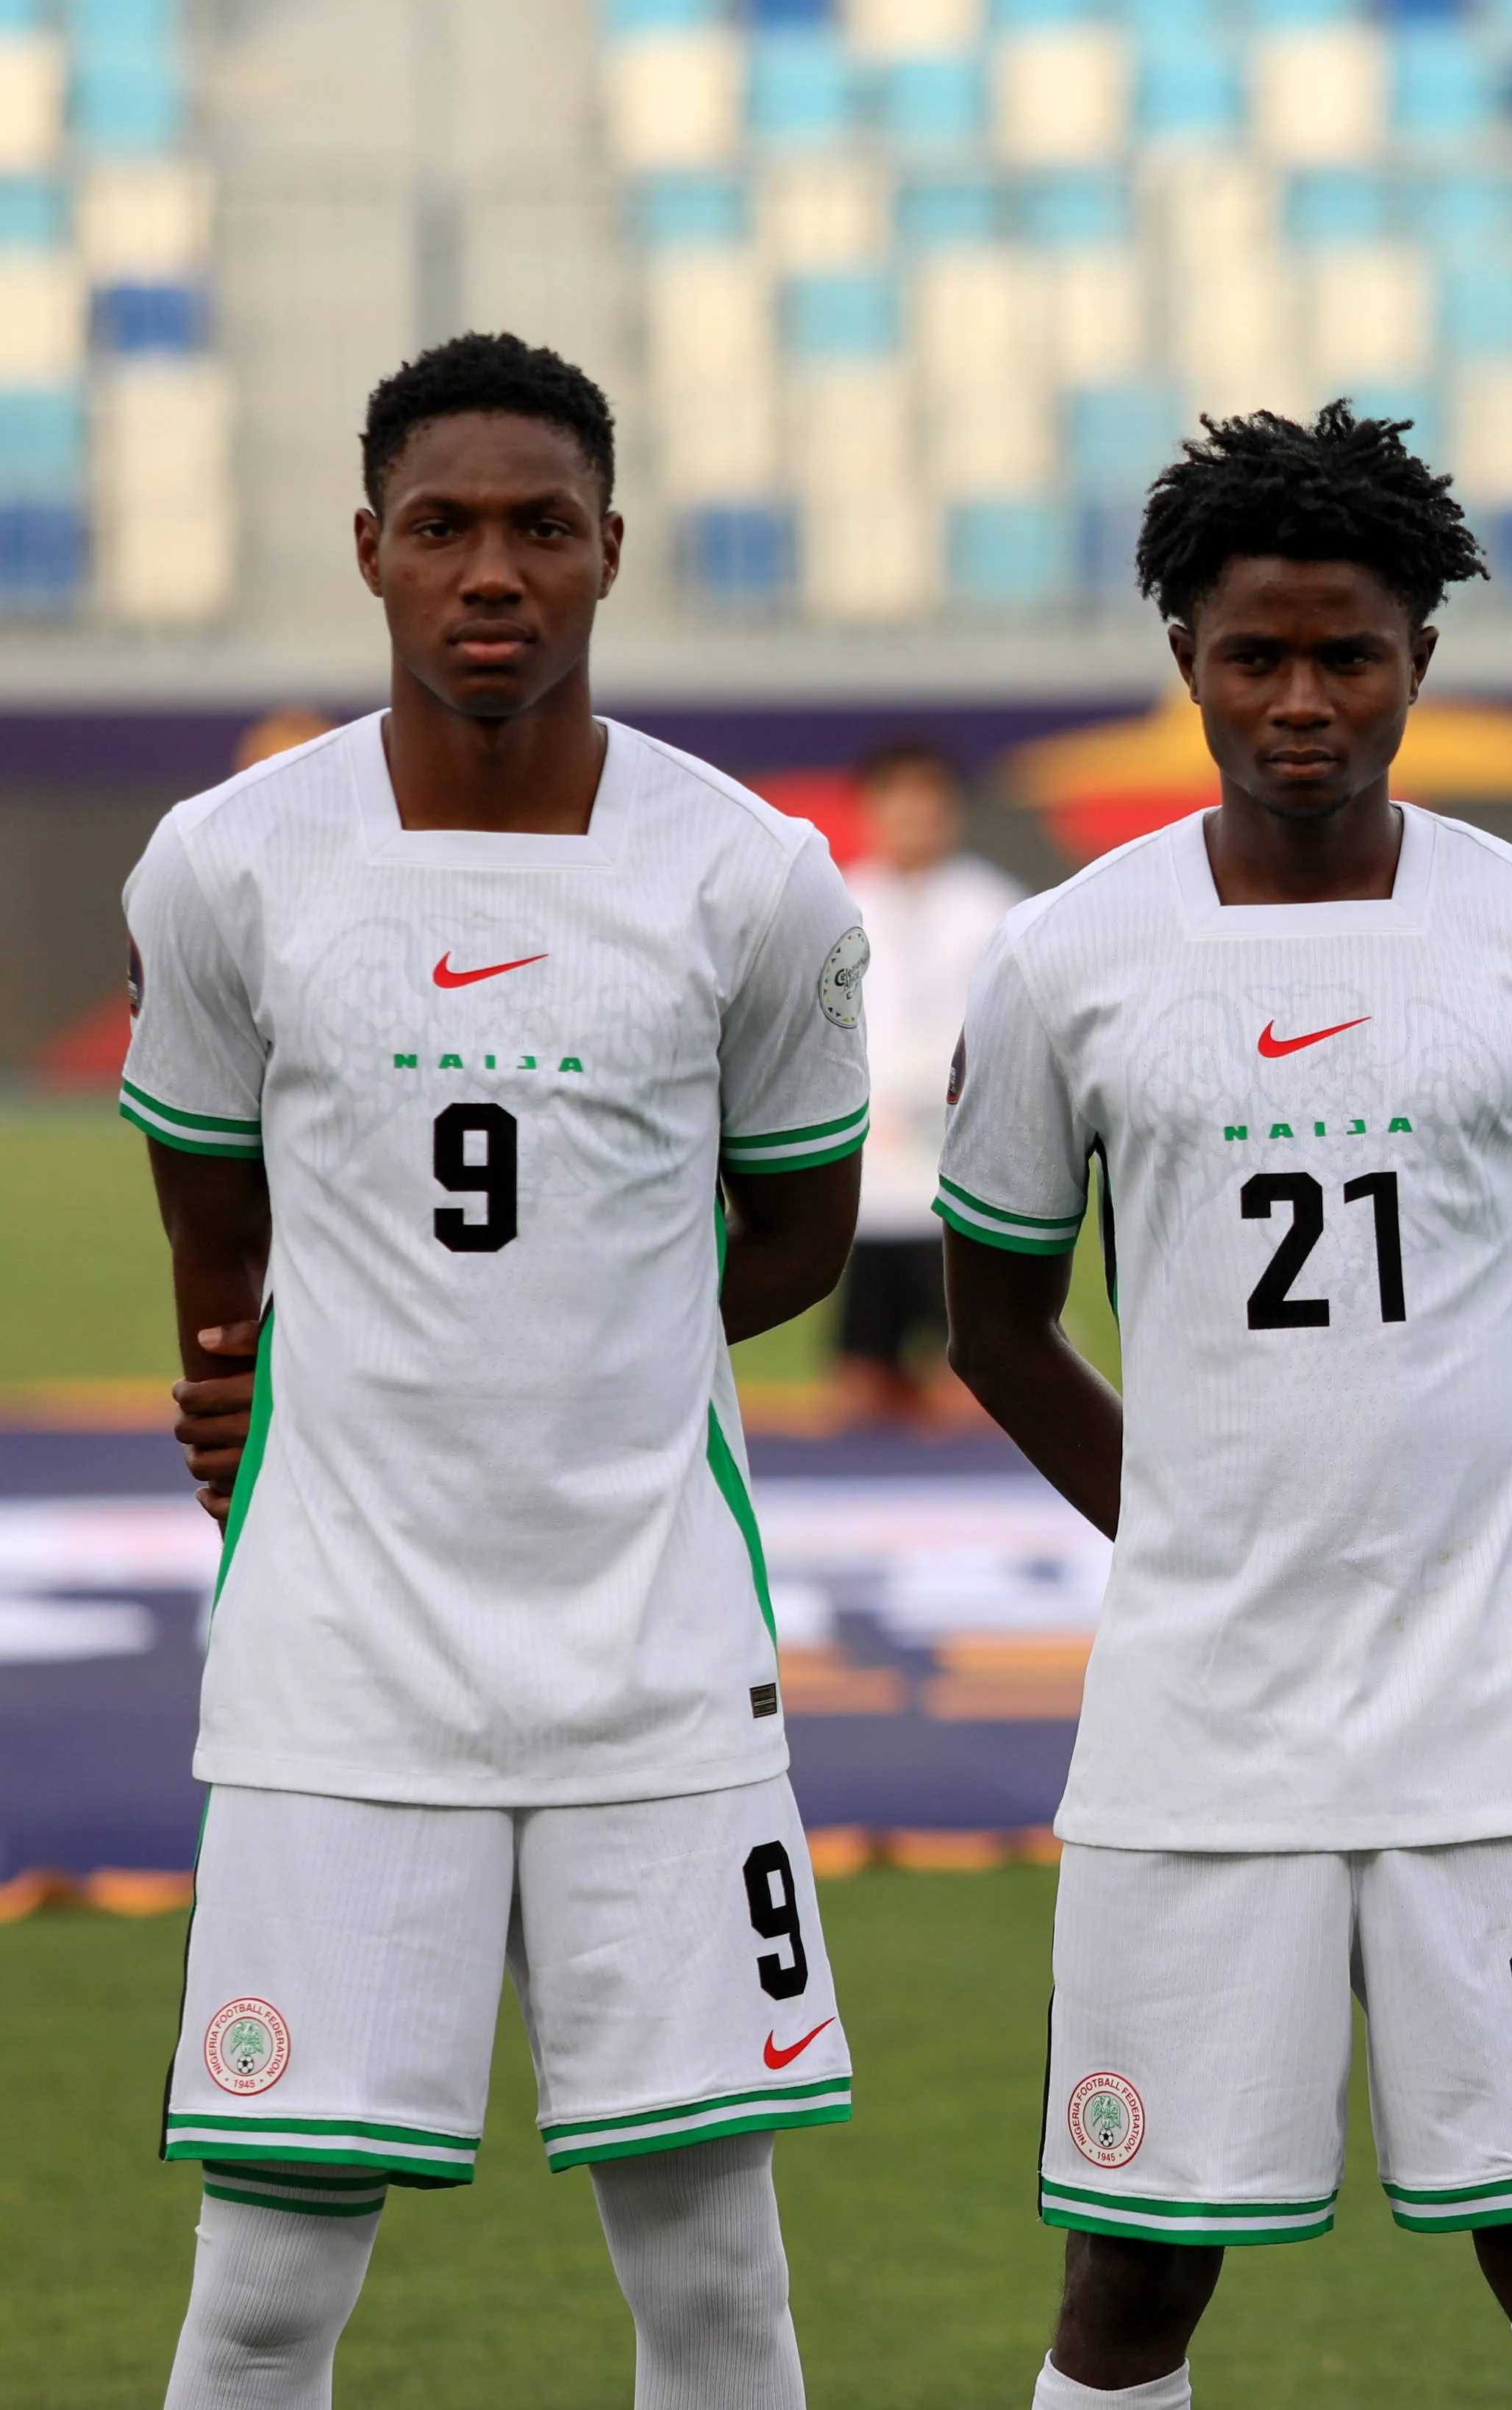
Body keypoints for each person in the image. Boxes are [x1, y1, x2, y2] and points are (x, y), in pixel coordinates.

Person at [119, 332, 867, 2408]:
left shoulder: (748, 872)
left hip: (656, 1659)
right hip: (340, 1668)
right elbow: (210, 1216)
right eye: (442, 527)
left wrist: (581, 1339)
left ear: (612, 549)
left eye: (542, 528)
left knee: (716, 2278)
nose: (492, 572)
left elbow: (801, 1229)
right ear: (368, 547)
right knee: (265, 2289)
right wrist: (240, 1386)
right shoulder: (227, 861)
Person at [935, 402, 1512, 2410]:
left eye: (1347, 654)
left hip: (1492, 1711)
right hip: (1197, 1717)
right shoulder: (1064, 959)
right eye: (1255, 654)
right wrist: (1190, 1530)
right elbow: (996, 1325)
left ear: (1419, 659)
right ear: (1183, 658)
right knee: (1133, 2269)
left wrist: (1484, 1539)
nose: (1300, 700)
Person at [835, 734, 1022, 1425]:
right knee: (862, 1384)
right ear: (872, 808)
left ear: (952, 809)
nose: (913, 816)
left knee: (972, 1385)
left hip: (960, 1175)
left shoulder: (994, 907)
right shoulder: (839, 901)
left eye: (927, 800)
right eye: (898, 800)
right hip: (870, 1177)